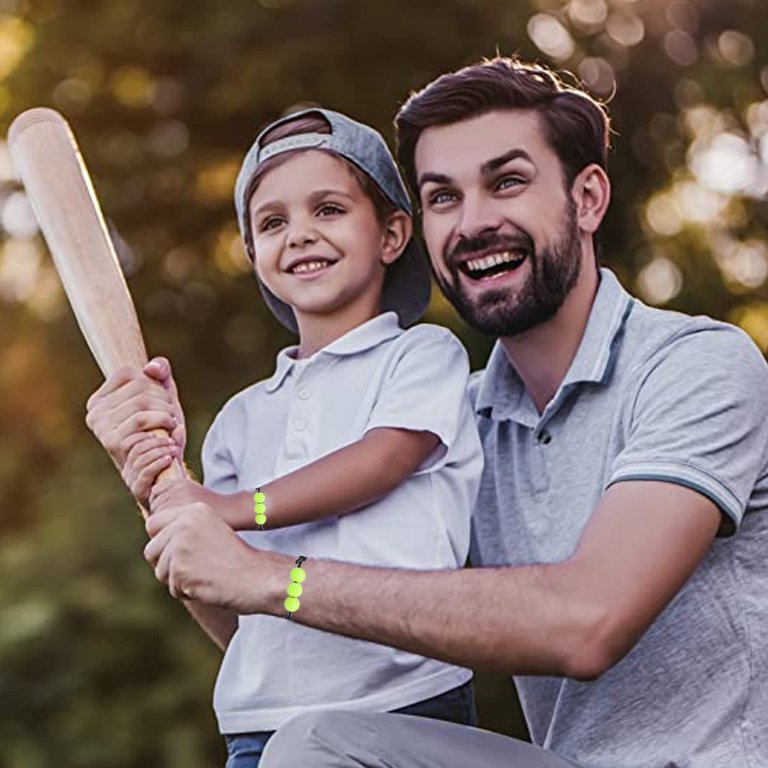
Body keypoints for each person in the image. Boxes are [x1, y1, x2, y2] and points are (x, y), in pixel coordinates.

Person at [86, 57, 768, 768]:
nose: (473, 223)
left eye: (506, 182)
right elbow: (307, 635)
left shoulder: (697, 367)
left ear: (588, 197)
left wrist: (269, 571)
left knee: (314, 749)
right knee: (312, 744)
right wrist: (166, 490)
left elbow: (587, 624)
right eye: (443, 197)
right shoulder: (465, 421)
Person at [87, 108, 485, 767]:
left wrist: (235, 507)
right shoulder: (242, 418)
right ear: (253, 255)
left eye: (327, 209)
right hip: (259, 719)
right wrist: (158, 475)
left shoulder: (420, 357)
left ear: (391, 234)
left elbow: (382, 461)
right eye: (273, 223)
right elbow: (213, 573)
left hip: (402, 701)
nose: (299, 234)